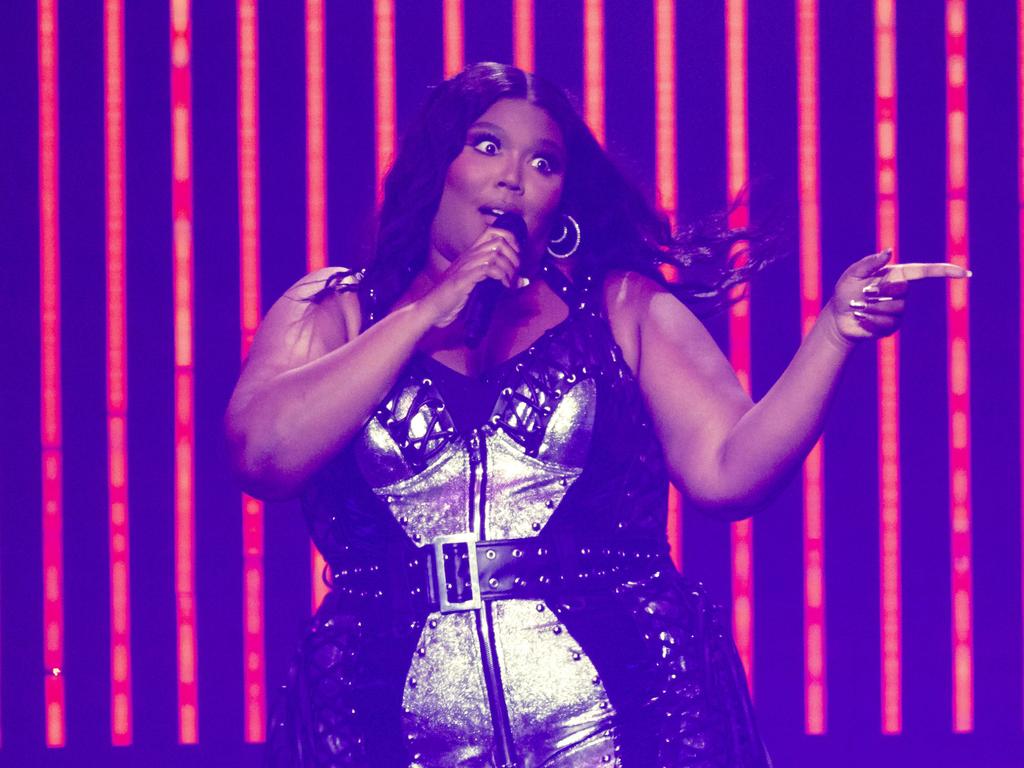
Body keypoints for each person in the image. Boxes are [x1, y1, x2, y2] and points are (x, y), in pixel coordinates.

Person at [225, 62, 968, 767]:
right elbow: (263, 454)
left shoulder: (620, 308)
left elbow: (729, 472)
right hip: (378, 716)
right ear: (438, 166)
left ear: (561, 196)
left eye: (543, 162)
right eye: (487, 146)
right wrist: (425, 314)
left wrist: (834, 333)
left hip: (628, 708)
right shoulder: (334, 308)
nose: (513, 177)